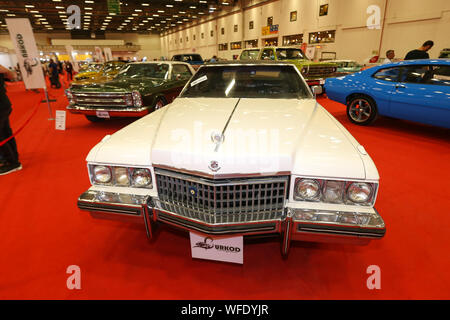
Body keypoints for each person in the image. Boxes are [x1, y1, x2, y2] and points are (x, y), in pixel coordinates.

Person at [0, 64, 21, 175]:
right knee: (6, 132)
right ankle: (12, 157)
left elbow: (11, 75)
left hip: (1, 105)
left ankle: (12, 162)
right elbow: (11, 75)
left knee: (2, 134)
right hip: (4, 104)